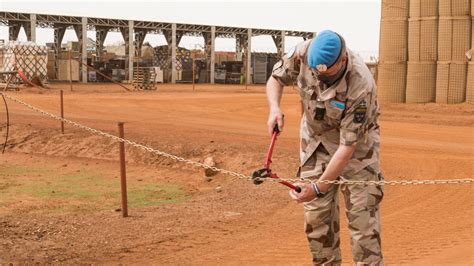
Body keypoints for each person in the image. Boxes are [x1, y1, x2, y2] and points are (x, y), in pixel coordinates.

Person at [266, 30, 384, 265]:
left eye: (327, 75)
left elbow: (347, 147)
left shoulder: (361, 85)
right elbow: (275, 79)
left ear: (342, 60)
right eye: (315, 72)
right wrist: (274, 108)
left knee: (363, 227)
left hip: (357, 153)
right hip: (315, 144)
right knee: (317, 223)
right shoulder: (303, 53)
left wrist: (318, 187)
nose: (320, 79)